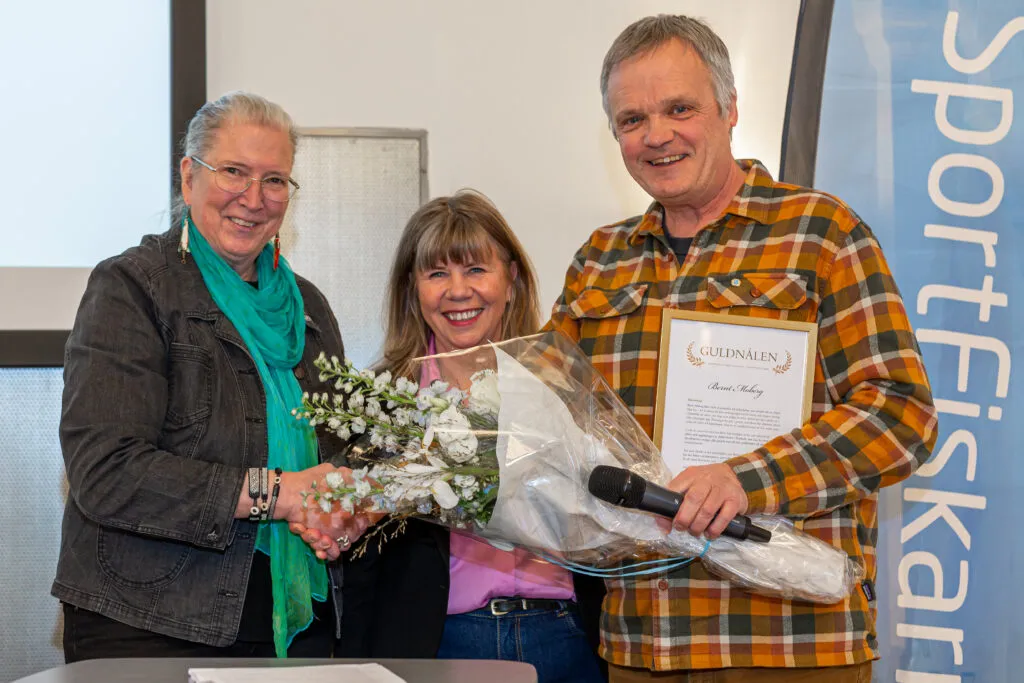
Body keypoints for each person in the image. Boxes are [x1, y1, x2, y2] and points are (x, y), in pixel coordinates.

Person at [545, 15, 938, 683]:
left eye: (680, 108)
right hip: (642, 643)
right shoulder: (598, 259)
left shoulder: (821, 233)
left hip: (788, 641)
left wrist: (745, 480)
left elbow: (902, 416)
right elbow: (555, 425)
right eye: (632, 119)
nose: (656, 134)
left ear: (730, 109)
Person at [52, 91, 372, 661]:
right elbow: (106, 472)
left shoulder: (309, 308)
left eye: (274, 180)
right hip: (149, 622)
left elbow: (339, 456)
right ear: (189, 176)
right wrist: (280, 493)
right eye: (233, 172)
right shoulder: (133, 287)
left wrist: (349, 508)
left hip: (294, 626)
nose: (253, 198)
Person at [331, 190, 606, 683]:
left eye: (476, 269)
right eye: (437, 274)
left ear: (511, 278)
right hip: (442, 645)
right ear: (412, 288)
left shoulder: (561, 383)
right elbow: (359, 566)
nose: (458, 291)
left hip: (569, 639)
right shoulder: (382, 402)